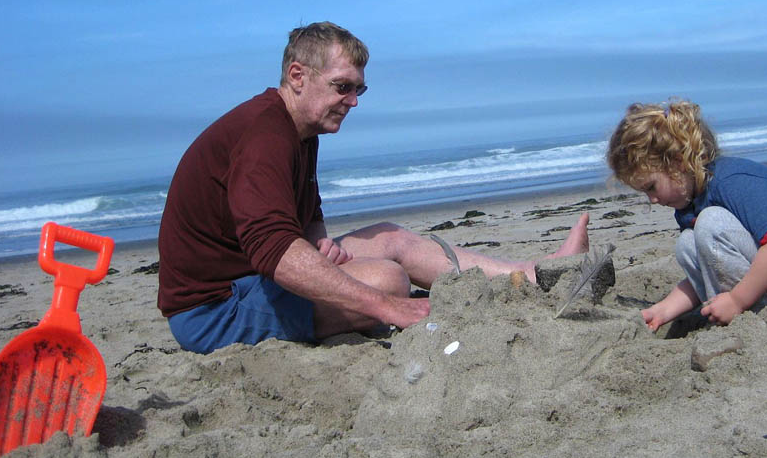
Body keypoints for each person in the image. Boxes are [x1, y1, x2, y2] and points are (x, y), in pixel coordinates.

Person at [158, 21, 589, 353]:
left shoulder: (299, 131)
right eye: (342, 87)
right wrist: (387, 309)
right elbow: (272, 250)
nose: (354, 101)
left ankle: (533, 275)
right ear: (297, 75)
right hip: (213, 310)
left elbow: (305, 220)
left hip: (252, 276)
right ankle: (409, 297)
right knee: (387, 282)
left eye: (359, 89)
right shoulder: (263, 135)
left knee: (391, 237)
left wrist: (317, 244)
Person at [606, 98, 767, 330]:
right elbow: (711, 267)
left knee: (710, 223)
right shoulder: (688, 204)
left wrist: (737, 300)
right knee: (687, 243)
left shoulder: (734, 181)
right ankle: (746, 320)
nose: (653, 200)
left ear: (678, 163)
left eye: (651, 187)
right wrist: (664, 309)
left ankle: (750, 319)